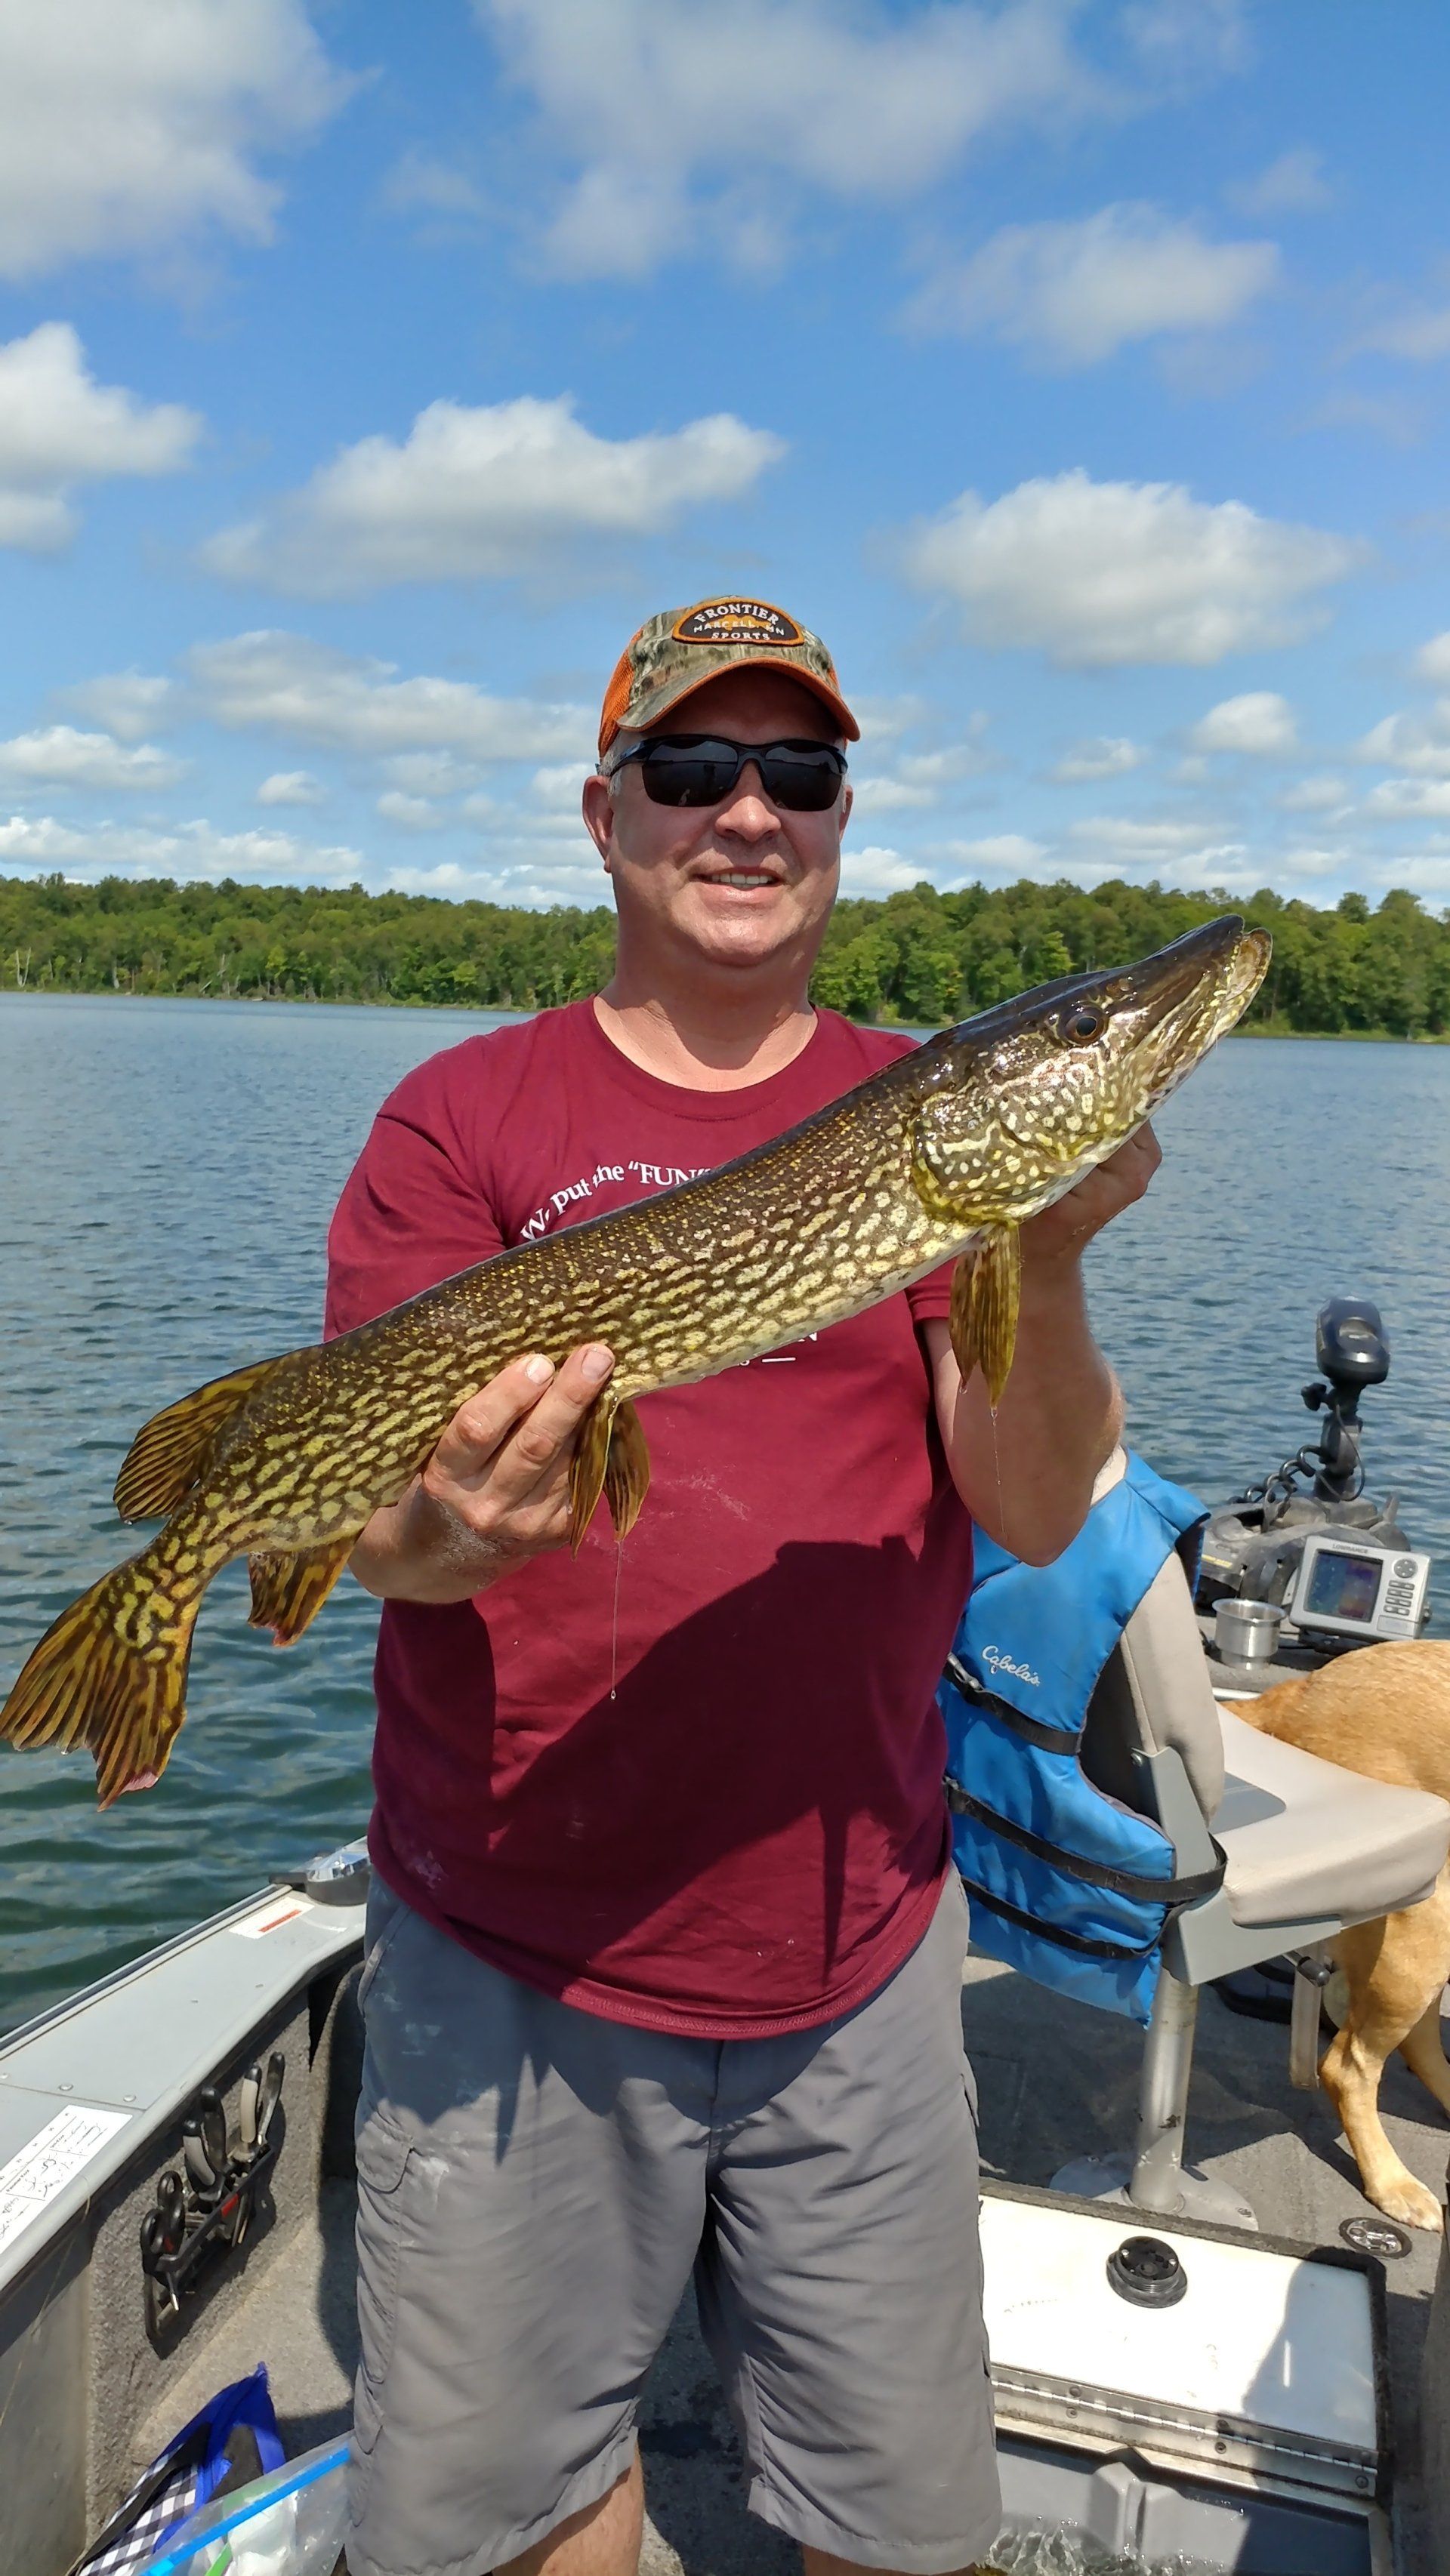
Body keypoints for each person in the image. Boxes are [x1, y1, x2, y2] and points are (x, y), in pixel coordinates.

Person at [327, 596, 1158, 2576]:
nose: (750, 812)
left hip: (856, 1948)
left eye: (799, 771)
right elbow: (373, 1529)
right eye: (696, 766)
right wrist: (463, 1536)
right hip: (516, 1946)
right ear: (606, 812)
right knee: (530, 2516)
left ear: (843, 815)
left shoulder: (928, 1122)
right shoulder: (462, 1116)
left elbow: (1037, 1510)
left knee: (900, 2524)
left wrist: (1042, 1259)